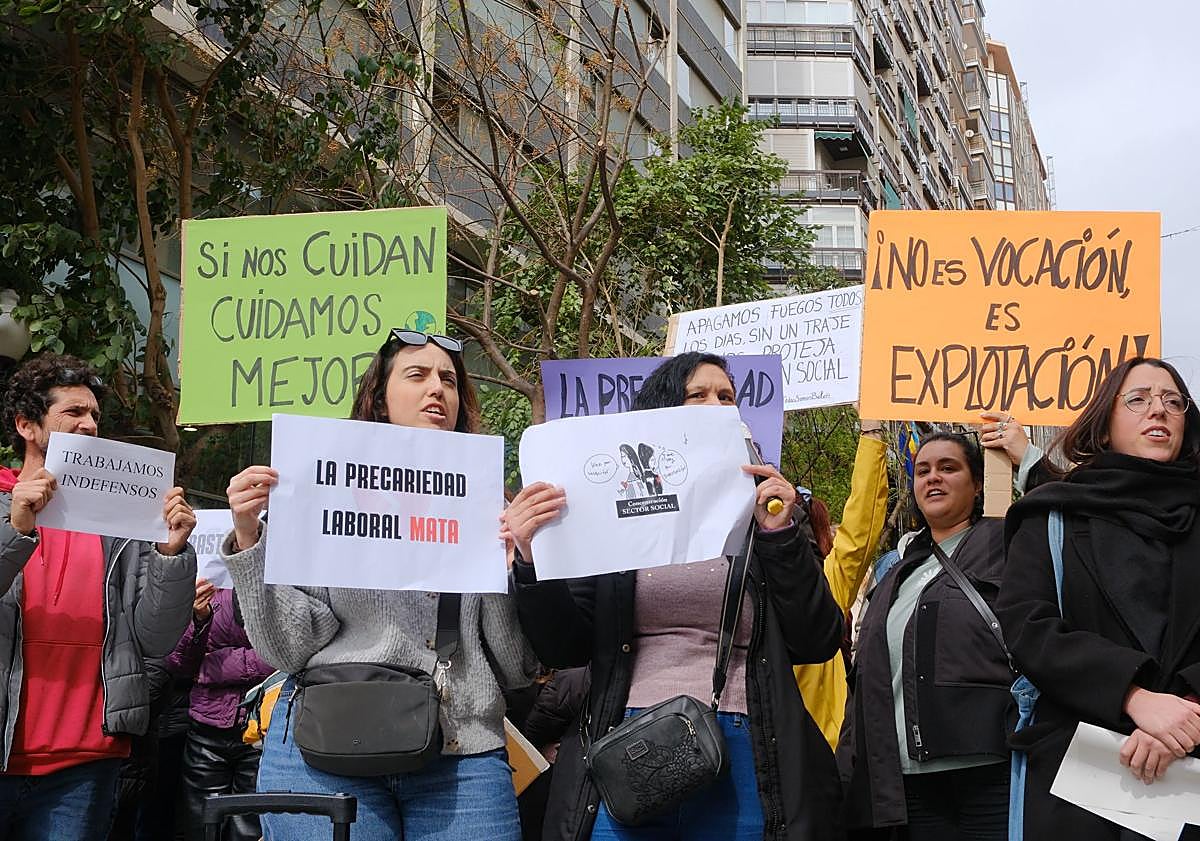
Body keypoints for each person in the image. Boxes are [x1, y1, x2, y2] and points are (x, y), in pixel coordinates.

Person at [507, 351, 846, 841]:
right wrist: (531, 560)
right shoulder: (606, 514)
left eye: (727, 396)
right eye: (699, 394)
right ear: (662, 412)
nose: (717, 404)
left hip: (742, 742)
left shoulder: (764, 513)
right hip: (629, 742)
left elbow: (817, 639)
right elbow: (564, 647)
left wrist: (780, 536)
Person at [221, 329, 538, 841]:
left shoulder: (489, 507)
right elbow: (289, 646)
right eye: (417, 375)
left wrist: (509, 568)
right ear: (380, 398)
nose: (438, 389)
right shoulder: (324, 489)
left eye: (449, 380)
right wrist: (249, 536)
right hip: (321, 748)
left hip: (460, 753)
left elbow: (515, 667)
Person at [999, 357, 1200, 839]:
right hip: (1079, 778)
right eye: (1139, 399)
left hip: (1191, 770)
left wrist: (1185, 709)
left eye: (1174, 401)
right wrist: (1134, 697)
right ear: (1104, 427)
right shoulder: (1052, 517)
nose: (1159, 410)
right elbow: (1029, 626)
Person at [0, 353, 197, 839]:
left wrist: (172, 557)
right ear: (26, 424)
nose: (89, 425)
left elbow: (156, 638)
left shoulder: (125, 521)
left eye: (94, 416)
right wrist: (16, 531)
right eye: (73, 413)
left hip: (86, 765)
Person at [839, 431, 1014, 841]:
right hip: (906, 780)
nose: (933, 478)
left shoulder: (1006, 544)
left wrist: (1026, 456)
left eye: (948, 468)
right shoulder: (893, 574)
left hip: (989, 770)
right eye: (923, 471)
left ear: (977, 485)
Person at [793, 418, 889, 750]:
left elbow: (860, 528)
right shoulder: (733, 584)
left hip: (821, 753)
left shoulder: (825, 584)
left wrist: (872, 435)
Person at [165, 581, 274, 841]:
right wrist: (199, 620)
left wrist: (216, 667)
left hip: (259, 731)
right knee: (201, 826)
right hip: (207, 730)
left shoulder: (278, 584)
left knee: (249, 830)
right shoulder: (208, 584)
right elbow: (179, 660)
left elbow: (284, 655)